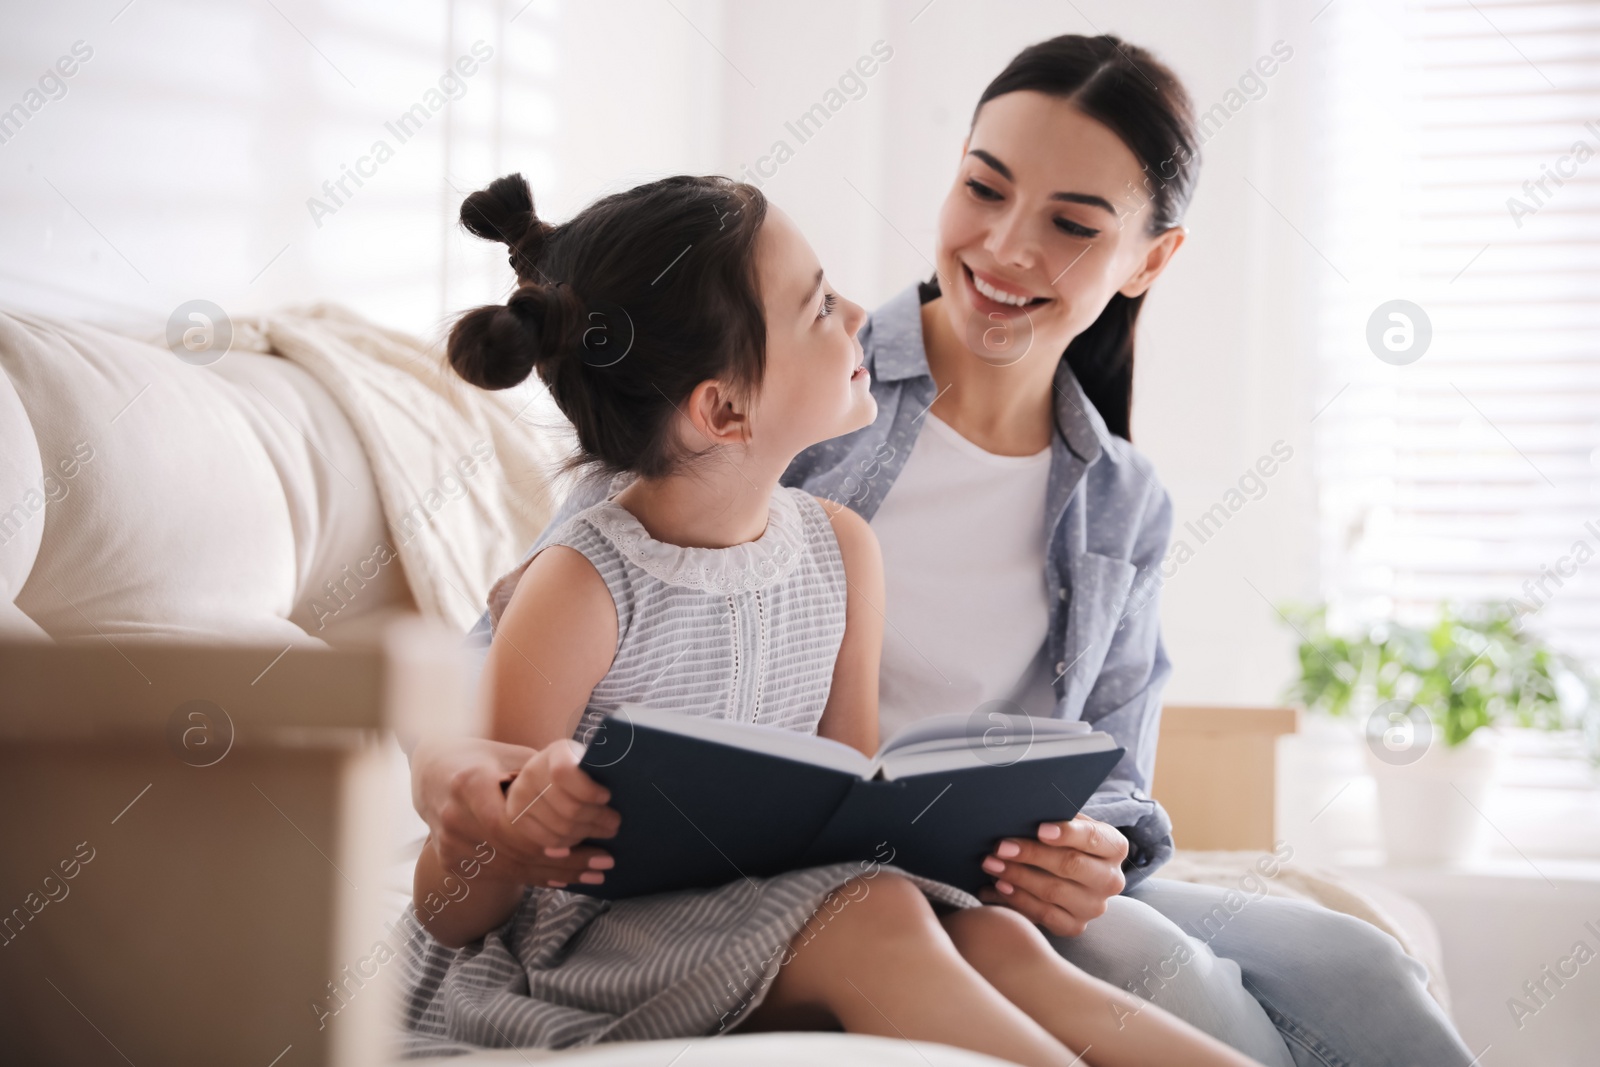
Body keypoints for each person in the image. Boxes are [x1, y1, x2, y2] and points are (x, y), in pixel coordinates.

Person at [411, 35, 1475, 1067]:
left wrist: (1091, 851)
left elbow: (1112, 767)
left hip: (964, 869)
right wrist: (469, 782)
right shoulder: (780, 389)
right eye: (984, 187)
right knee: (1170, 975)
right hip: (775, 885)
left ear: (1151, 258)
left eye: (1070, 222)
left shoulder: (1109, 498)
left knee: (1358, 962)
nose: (1009, 247)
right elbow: (521, 658)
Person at [399, 169, 1264, 1067]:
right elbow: (457, 907)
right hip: (585, 953)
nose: (859, 314)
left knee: (994, 936)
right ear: (724, 408)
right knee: (877, 914)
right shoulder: (581, 583)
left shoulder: (841, 549)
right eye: (816, 308)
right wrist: (504, 830)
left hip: (767, 910)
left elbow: (850, 812)